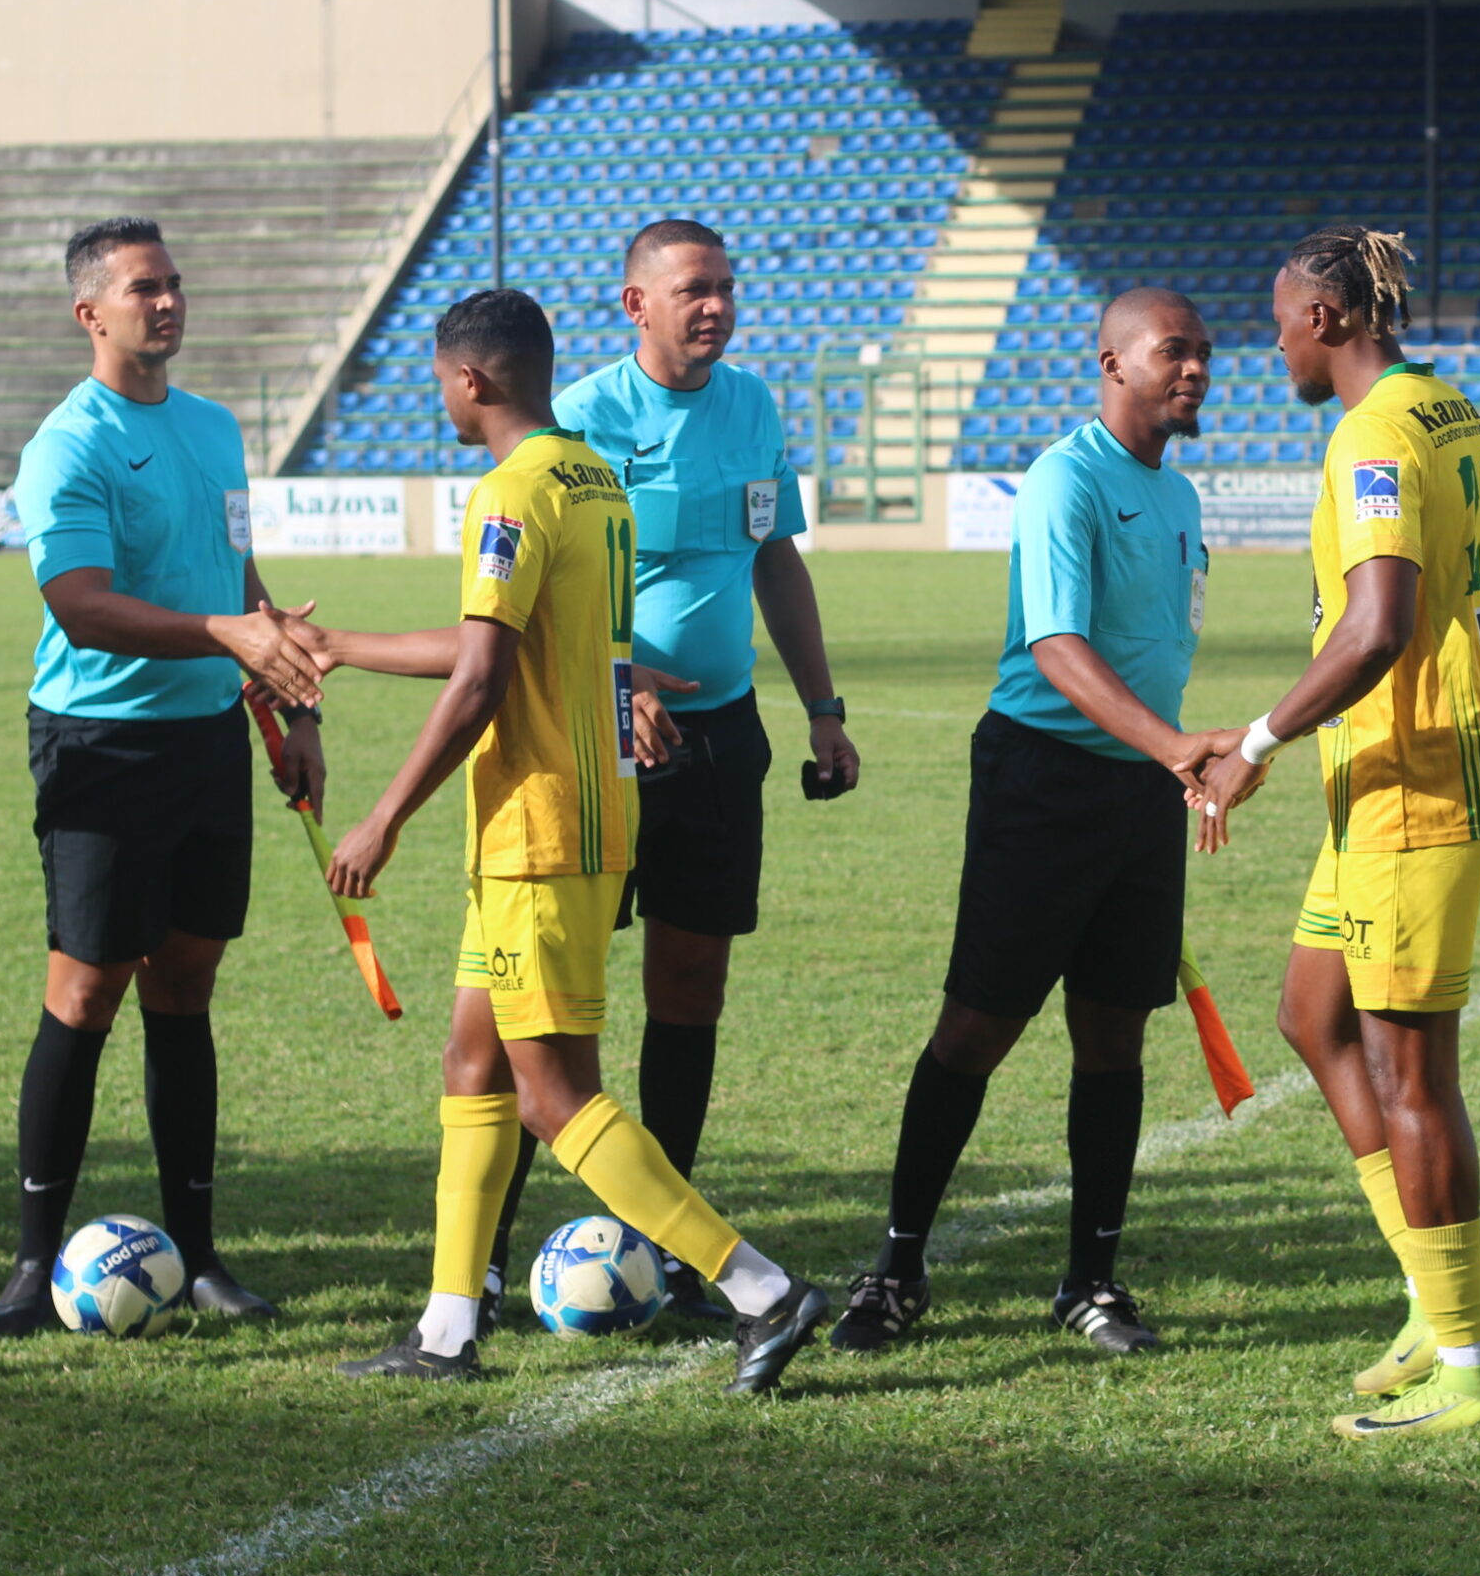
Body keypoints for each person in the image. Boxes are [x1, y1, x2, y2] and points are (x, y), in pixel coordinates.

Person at [298, 289, 827, 1389]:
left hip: (540, 829)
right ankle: (448, 1329)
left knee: (553, 1095)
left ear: (471, 380)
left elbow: (484, 674)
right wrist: (341, 641)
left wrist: (383, 813)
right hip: (580, 815)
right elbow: (498, 635)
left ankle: (760, 1289)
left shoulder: (511, 491)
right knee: (472, 1059)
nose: (440, 395)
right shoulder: (593, 479)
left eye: (441, 379)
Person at [468, 217, 858, 1334]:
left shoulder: (753, 407)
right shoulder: (579, 417)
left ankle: (666, 1249)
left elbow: (774, 558)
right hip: (594, 748)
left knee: (690, 993)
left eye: (726, 289)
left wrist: (821, 709)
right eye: (692, 290)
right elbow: (545, 589)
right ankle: (482, 1264)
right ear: (635, 304)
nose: (716, 307)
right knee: (528, 1016)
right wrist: (619, 680)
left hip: (721, 741)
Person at [826, 288, 1215, 1358]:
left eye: (1204, 354)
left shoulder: (1176, 499)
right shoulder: (1065, 478)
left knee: (1113, 1034)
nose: (1193, 370)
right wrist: (1174, 747)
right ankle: (897, 1267)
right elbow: (1057, 649)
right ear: (1111, 363)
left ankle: (1090, 1282)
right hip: (1041, 781)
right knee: (977, 1028)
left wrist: (1170, 761)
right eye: (1172, 352)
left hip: (1140, 789)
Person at [1191, 227, 1480, 1441]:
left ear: (1327, 319)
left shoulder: (1374, 434)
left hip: (1413, 780)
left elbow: (1377, 623)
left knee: (1410, 1076)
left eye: (1280, 316)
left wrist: (1255, 740)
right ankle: (1427, 1305)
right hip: (1401, 772)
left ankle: (1472, 1359)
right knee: (1312, 1015)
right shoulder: (1445, 407)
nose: (1270, 338)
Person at [0, 217, 326, 1337]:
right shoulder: (66, 444)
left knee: (185, 987)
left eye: (176, 283)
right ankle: (36, 1267)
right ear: (91, 313)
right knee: (86, 993)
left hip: (205, 745)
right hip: (99, 748)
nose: (168, 302)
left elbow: (237, 572)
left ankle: (200, 1253)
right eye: (145, 288)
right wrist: (227, 634)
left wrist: (280, 697)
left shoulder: (214, 428)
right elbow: (78, 603)